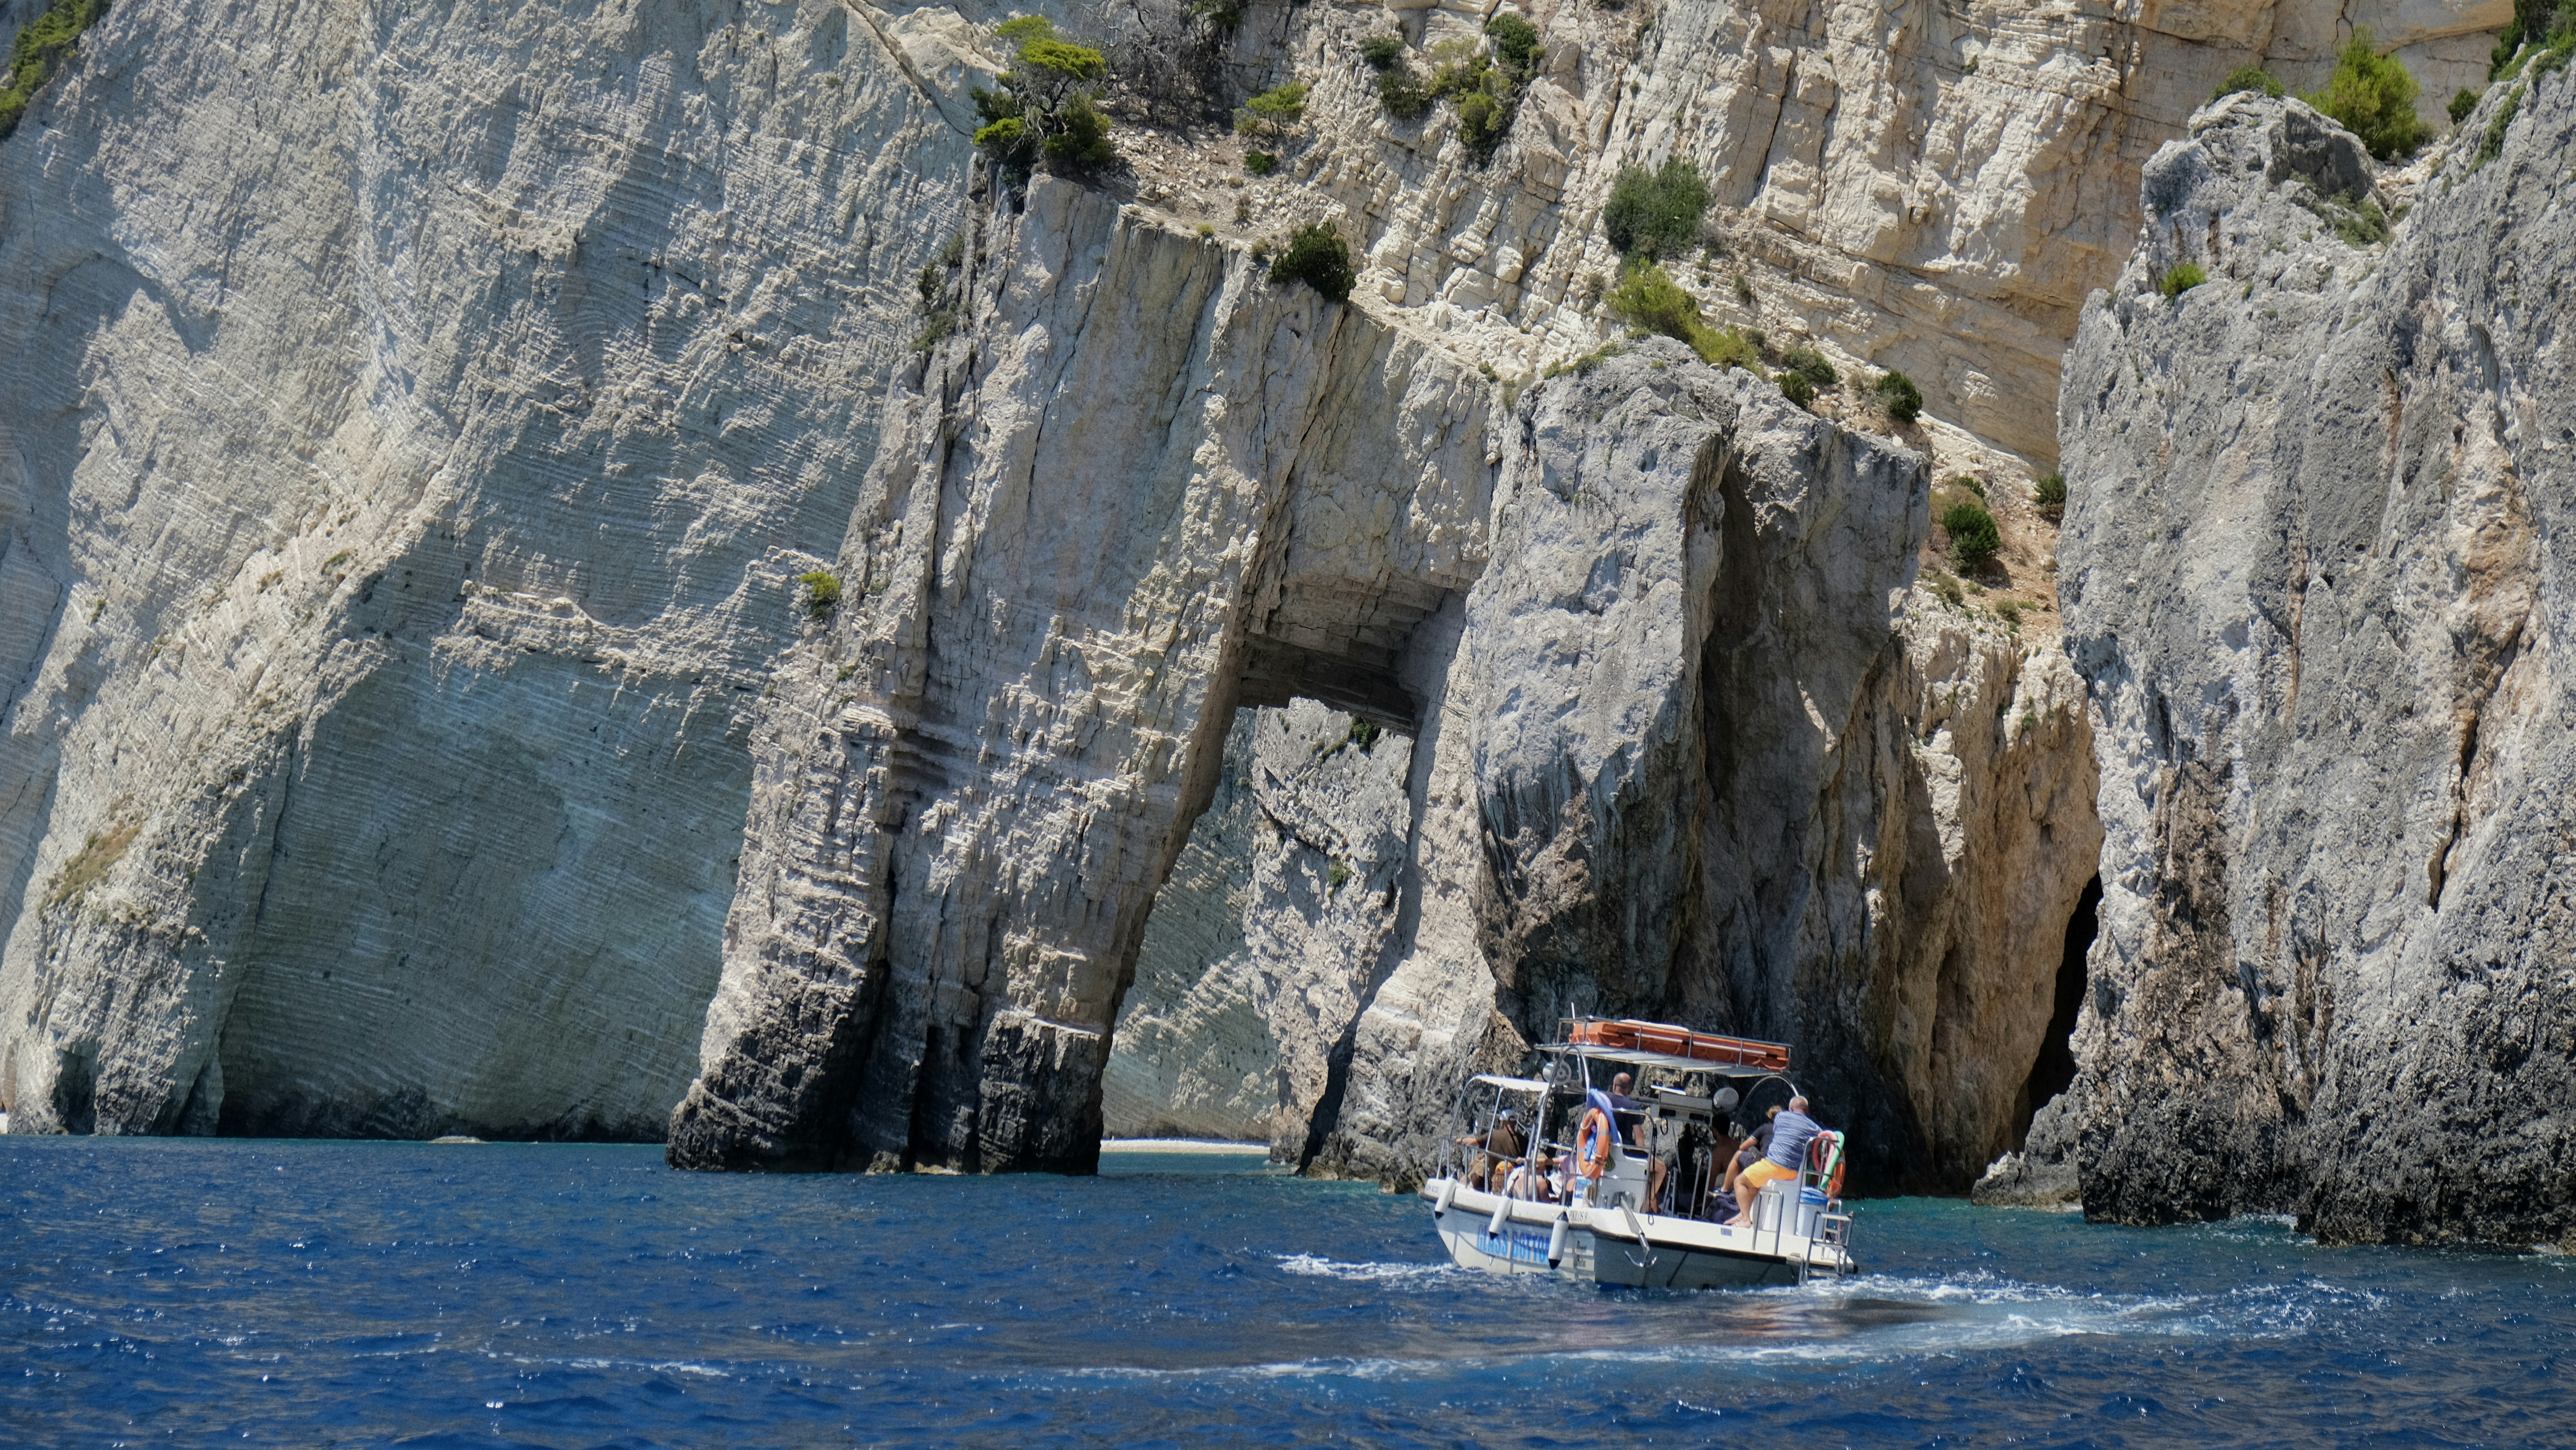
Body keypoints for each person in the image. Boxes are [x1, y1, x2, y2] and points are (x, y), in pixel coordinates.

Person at [1729, 1095, 1825, 1227]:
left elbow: (1777, 1132)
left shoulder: (1781, 1117)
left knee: (1740, 1181)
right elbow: (1822, 1141)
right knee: (1753, 1184)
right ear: (1807, 1110)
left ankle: (1746, 1219)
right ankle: (1743, 1214)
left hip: (1773, 1166)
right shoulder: (1815, 1128)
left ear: (1791, 1108)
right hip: (1794, 1173)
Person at [1607, 1072, 1669, 1211]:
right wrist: (1641, 1150)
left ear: (1614, 1086)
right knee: (1661, 1169)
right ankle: (1645, 1206)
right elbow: (1639, 1136)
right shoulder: (1632, 1106)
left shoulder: (1604, 1102)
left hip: (1606, 1150)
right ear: (1630, 1088)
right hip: (1626, 1152)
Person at [1718, 1106, 1781, 1207]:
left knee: (1738, 1155)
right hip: (1779, 1168)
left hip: (1764, 1164)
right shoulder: (1785, 1132)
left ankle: (1724, 1190)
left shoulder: (1765, 1128)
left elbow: (1743, 1147)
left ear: (1769, 1117)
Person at [1454, 1106, 1524, 1191]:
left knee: (1479, 1163)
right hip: (1514, 1176)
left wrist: (1461, 1140)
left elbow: (1473, 1142)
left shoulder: (1494, 1135)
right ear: (1515, 1123)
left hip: (1495, 1176)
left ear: (1503, 1122)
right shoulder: (1524, 1140)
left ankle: (1466, 1186)